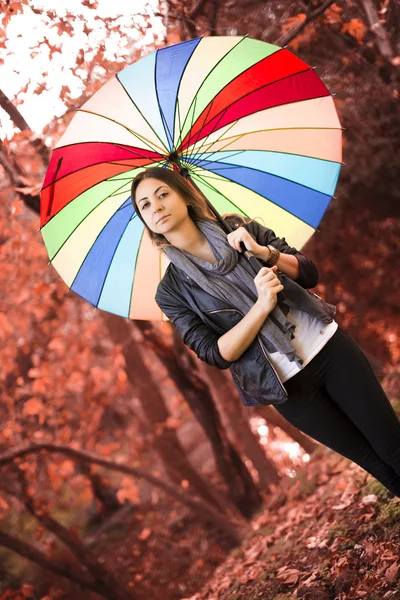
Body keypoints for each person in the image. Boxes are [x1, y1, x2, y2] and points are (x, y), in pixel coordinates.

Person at [130, 166, 400, 498]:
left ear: (184, 195)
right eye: (144, 204)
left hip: (328, 350)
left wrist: (263, 253)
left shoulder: (240, 229)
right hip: (287, 387)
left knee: (392, 447)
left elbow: (308, 273)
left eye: (162, 194)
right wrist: (260, 305)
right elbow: (216, 353)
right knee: (372, 460)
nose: (155, 207)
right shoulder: (171, 292)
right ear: (144, 220)